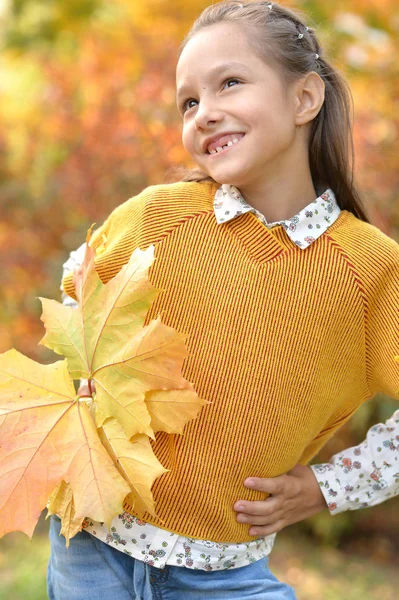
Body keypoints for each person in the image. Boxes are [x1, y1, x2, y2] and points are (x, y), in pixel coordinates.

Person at [48, 1, 399, 598]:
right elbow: (76, 294)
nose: (204, 113)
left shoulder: (370, 271)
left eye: (229, 83)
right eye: (189, 102)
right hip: (89, 545)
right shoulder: (156, 216)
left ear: (304, 100)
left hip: (225, 575)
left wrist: (328, 486)